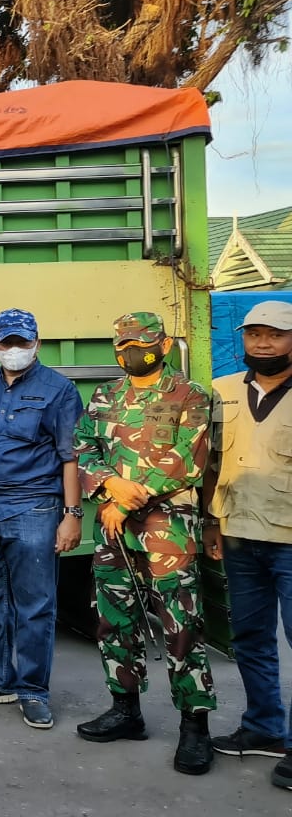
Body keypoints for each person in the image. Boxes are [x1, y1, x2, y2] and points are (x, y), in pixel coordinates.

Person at [74, 311, 215, 776]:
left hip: (168, 529)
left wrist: (128, 498)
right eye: (124, 344)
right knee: (113, 621)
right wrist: (109, 486)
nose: (132, 351)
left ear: (165, 345)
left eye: (142, 343)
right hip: (114, 530)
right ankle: (125, 709)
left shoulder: (189, 394)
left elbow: (188, 460)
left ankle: (195, 727)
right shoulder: (105, 395)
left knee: (181, 626)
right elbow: (84, 447)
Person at [0, 309, 84, 730]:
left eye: (21, 342)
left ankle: (32, 690)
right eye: (6, 343)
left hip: (34, 508)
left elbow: (70, 457)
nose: (14, 350)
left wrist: (72, 515)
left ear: (36, 344)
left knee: (35, 605)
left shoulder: (59, 390)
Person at [202, 300, 292, 790]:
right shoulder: (223, 390)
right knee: (251, 639)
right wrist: (211, 522)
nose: (264, 344)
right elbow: (211, 462)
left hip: (289, 540)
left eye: (275, 334)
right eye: (255, 334)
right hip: (238, 535)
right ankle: (265, 728)